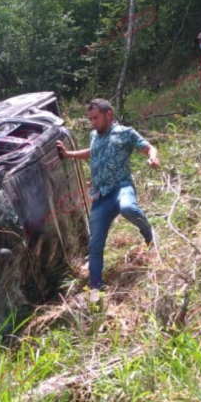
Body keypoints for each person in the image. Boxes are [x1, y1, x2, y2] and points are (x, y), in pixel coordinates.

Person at [56, 99, 160, 292]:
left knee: (128, 208)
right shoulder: (94, 135)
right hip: (101, 196)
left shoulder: (125, 133)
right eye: (90, 119)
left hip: (121, 187)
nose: (92, 122)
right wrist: (68, 154)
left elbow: (148, 147)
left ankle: (150, 237)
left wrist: (153, 157)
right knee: (94, 246)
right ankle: (95, 293)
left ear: (108, 114)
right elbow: (93, 153)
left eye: (95, 118)